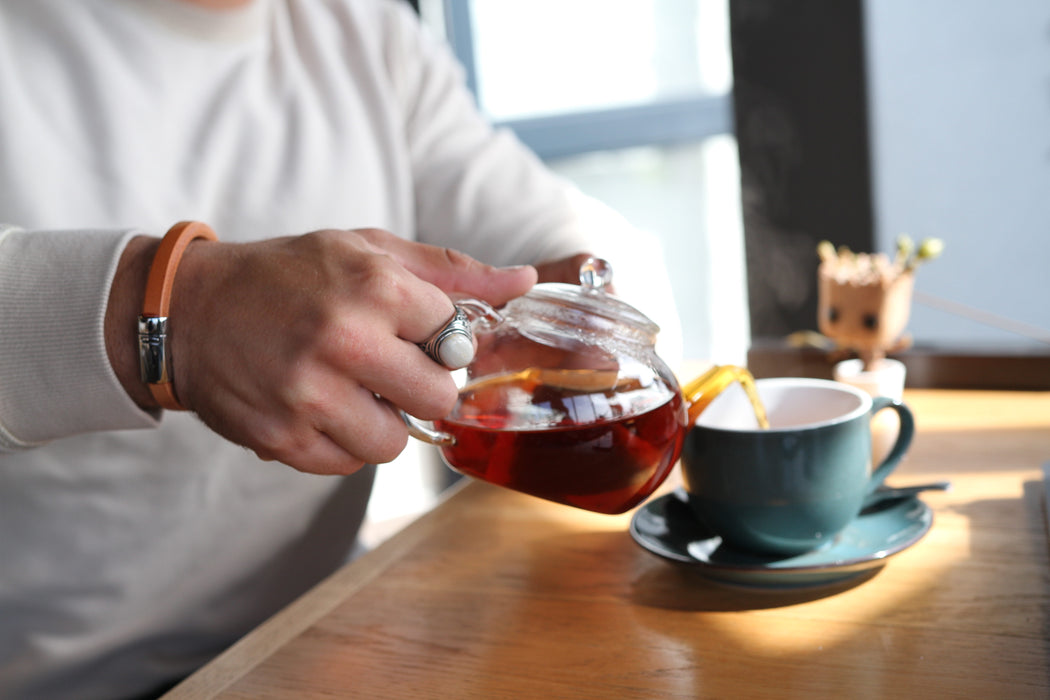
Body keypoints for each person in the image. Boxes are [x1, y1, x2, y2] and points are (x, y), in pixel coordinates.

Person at [0, 0, 681, 697]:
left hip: (320, 628)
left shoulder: (364, 30)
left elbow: (535, 225)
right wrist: (178, 310)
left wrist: (583, 292)